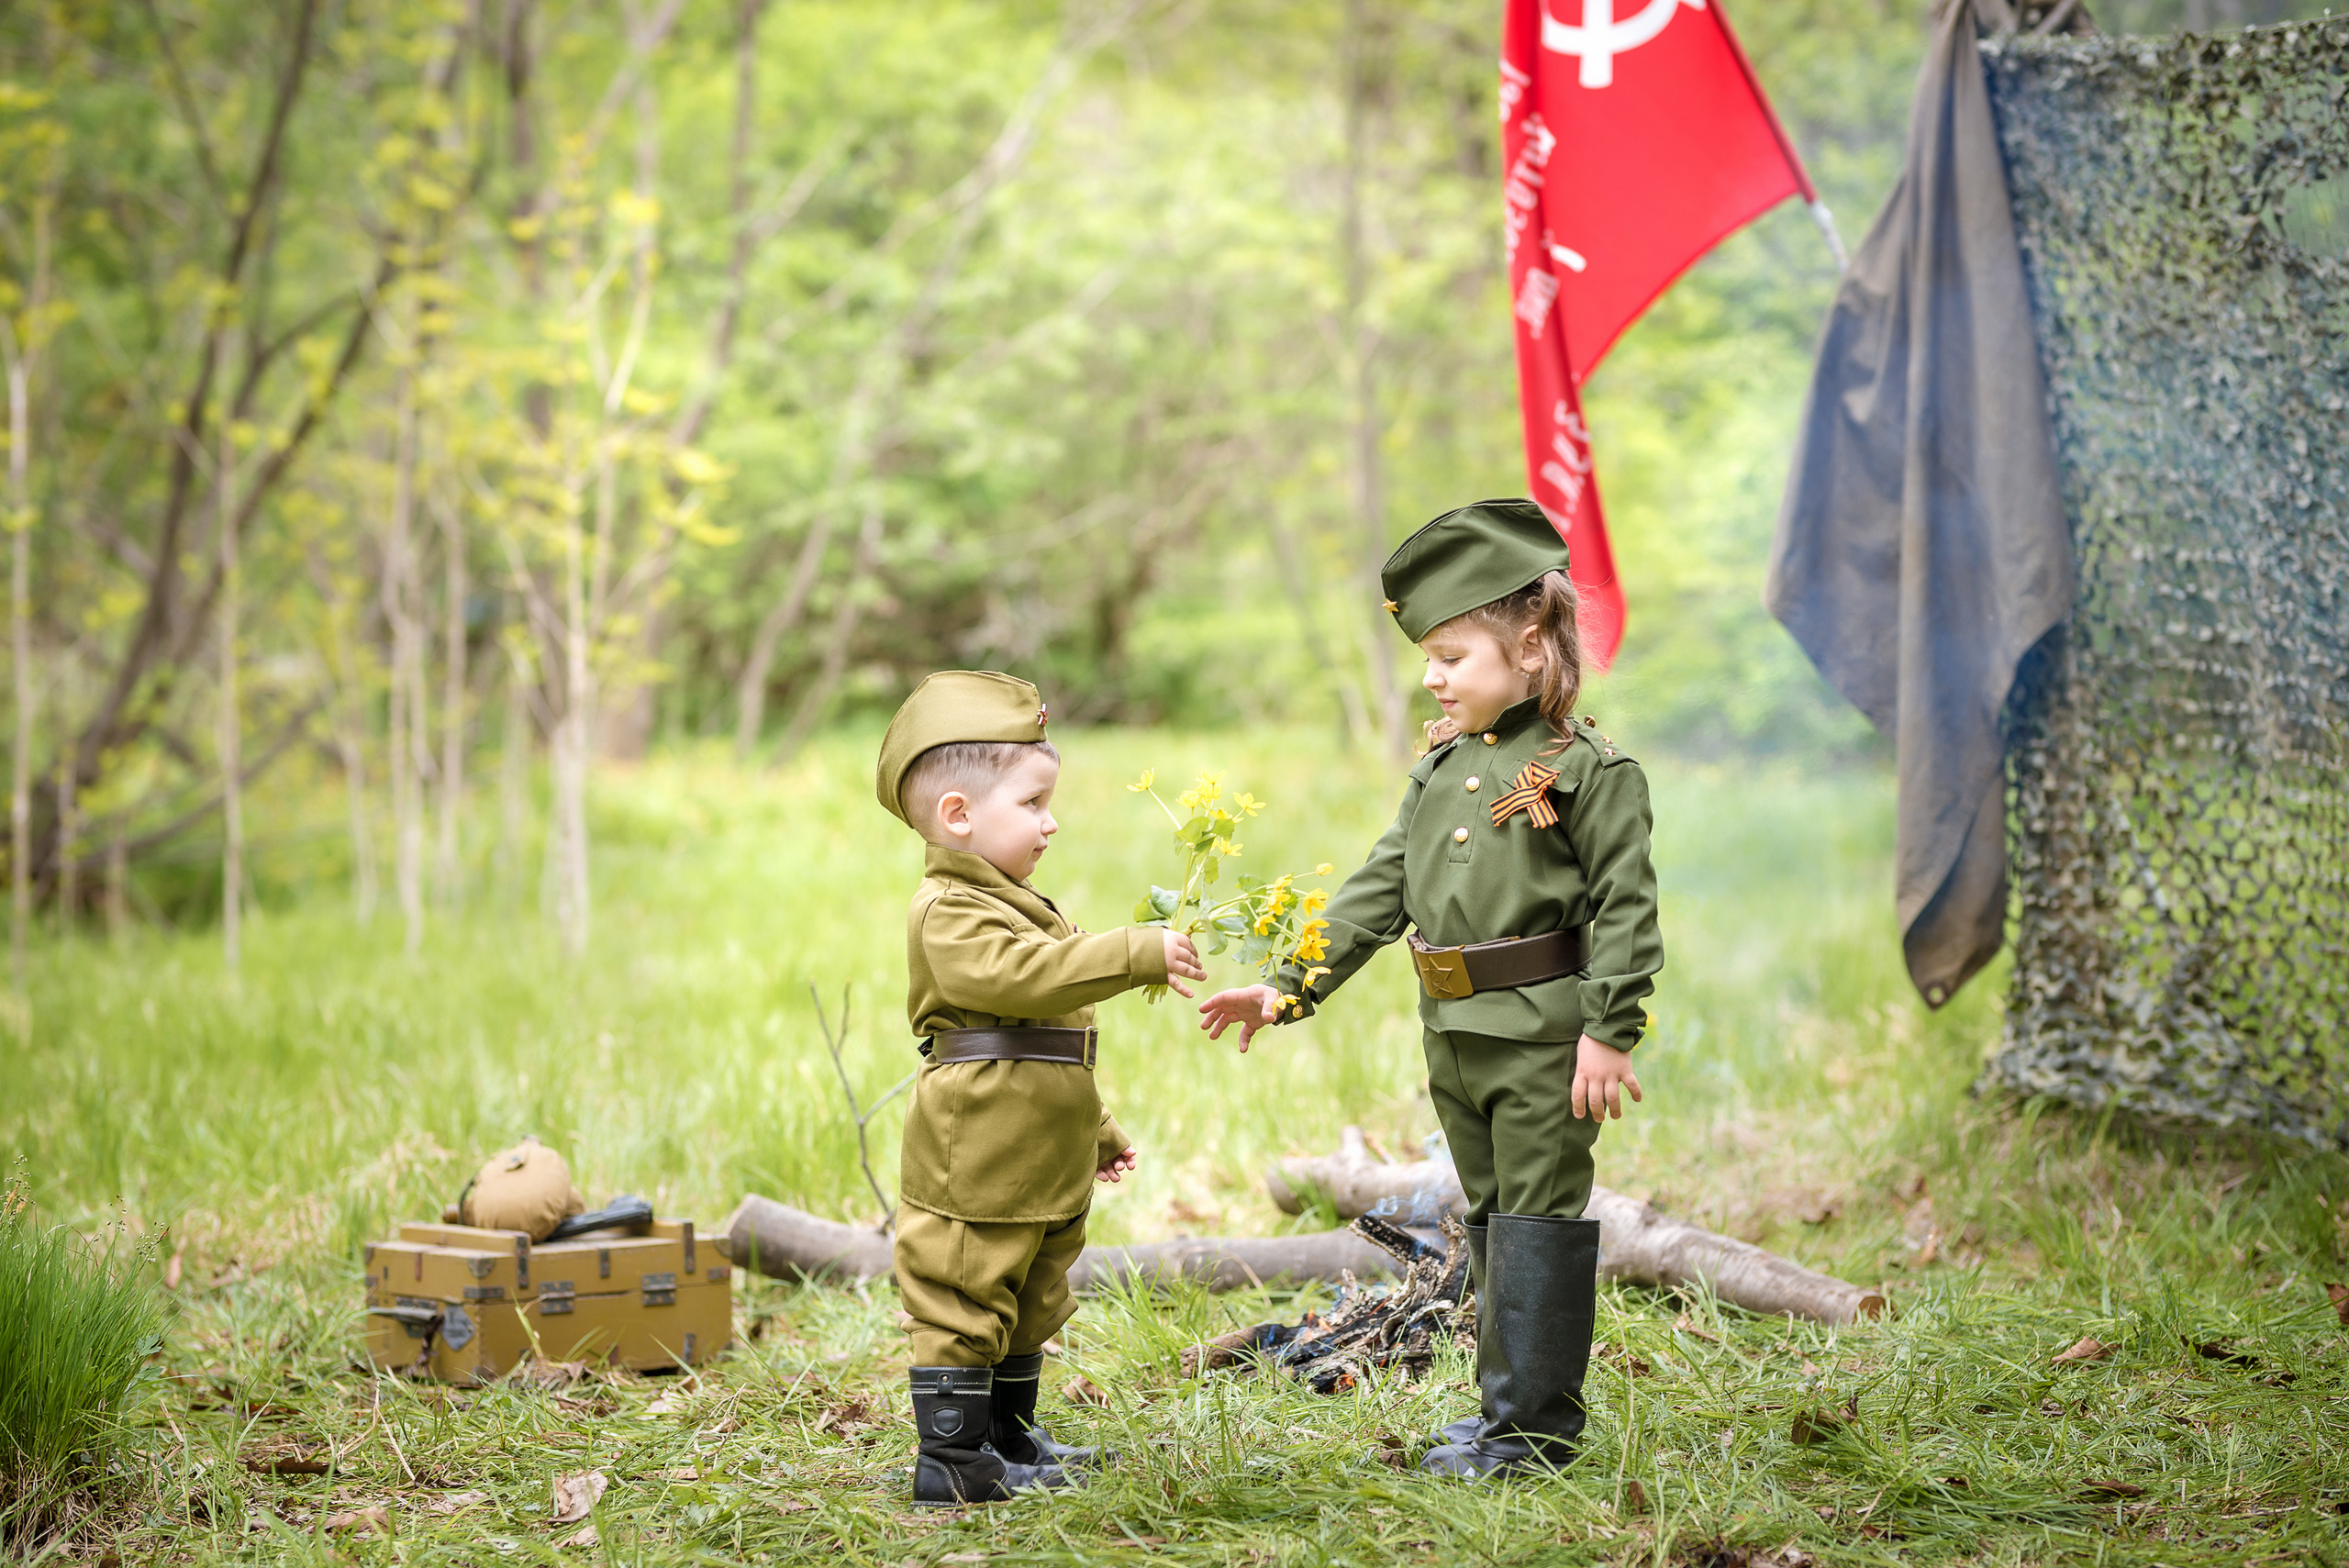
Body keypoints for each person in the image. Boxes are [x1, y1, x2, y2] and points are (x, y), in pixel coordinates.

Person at [1197, 498, 1663, 1480]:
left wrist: (1608, 1030)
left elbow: (1625, 906)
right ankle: (1504, 1421)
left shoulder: (1591, 772)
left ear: (1530, 646)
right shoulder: (1440, 771)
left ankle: (1532, 1435)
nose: (1432, 677)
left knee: (1535, 1218)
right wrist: (1285, 987)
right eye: (1428, 658)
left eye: (1452, 655)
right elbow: (1377, 889)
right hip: (1451, 1028)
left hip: (1542, 1035)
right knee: (1492, 1218)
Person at [875, 670, 1208, 1506]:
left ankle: (1004, 1434)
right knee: (964, 1287)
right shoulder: (948, 909)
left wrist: (1098, 1130)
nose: (1050, 822)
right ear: (958, 815)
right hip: (978, 1151)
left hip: (1035, 1155)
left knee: (1030, 1291)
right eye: (1032, 804)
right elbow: (1026, 983)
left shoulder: (1013, 898)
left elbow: (1050, 1047)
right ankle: (951, 1460)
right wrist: (1132, 950)